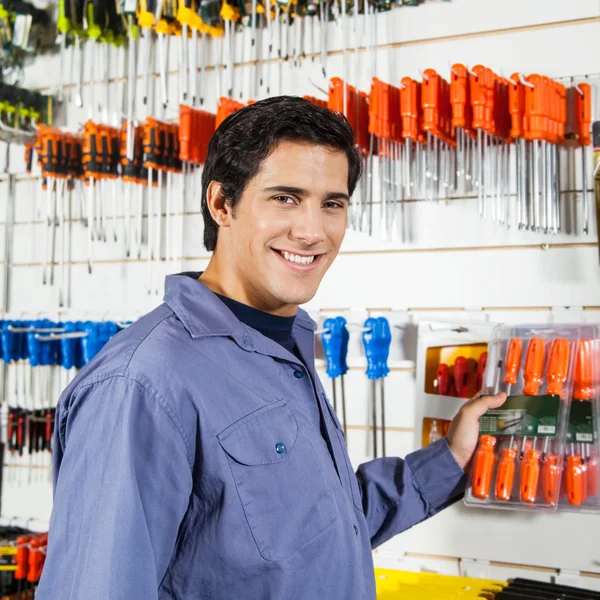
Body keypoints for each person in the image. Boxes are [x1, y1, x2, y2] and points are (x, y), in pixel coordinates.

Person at [37, 96, 505, 600]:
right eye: (285, 197)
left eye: (332, 203)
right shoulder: (141, 386)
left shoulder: (285, 347)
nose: (311, 232)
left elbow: (314, 538)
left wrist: (453, 457)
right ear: (222, 204)